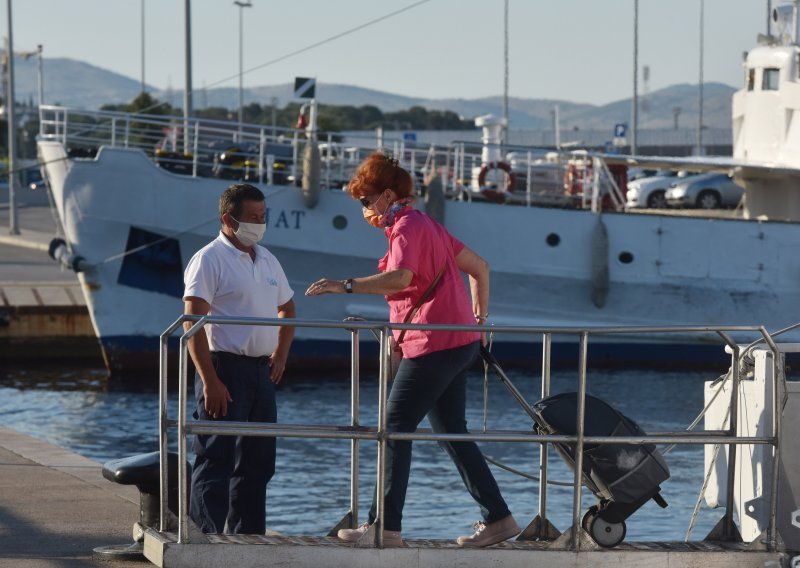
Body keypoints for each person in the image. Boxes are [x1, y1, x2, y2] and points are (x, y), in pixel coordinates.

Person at [305, 152, 519, 547]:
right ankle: (500, 519)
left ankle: (384, 528)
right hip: (459, 343)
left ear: (387, 195)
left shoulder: (406, 227)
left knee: (393, 429)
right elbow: (481, 268)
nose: (365, 210)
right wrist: (479, 323)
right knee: (452, 430)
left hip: (434, 345)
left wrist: (345, 285)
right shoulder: (429, 226)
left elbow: (400, 277)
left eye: (367, 201)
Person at [183, 183, 296, 534]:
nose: (259, 224)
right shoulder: (209, 259)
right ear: (227, 219)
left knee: (258, 462)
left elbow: (288, 308)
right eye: (252, 218)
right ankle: (205, 539)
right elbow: (192, 324)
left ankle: (248, 538)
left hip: (261, 372)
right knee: (216, 457)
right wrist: (209, 380)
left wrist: (280, 353)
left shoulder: (266, 258)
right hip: (224, 368)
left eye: (262, 217)